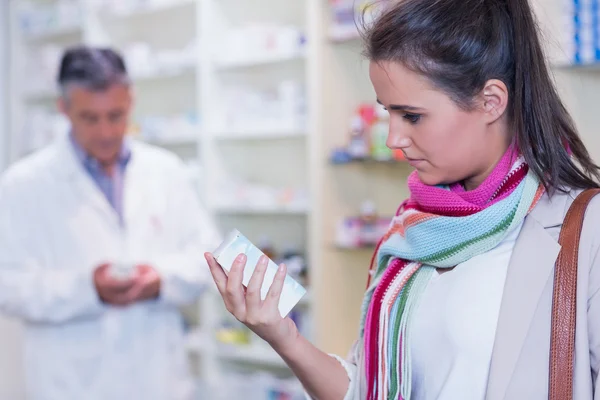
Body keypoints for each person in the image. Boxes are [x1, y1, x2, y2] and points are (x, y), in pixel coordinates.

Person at [204, 0, 600, 399]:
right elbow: (365, 388)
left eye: (411, 116)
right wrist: (282, 335)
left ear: (491, 101)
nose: (394, 139)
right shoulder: (412, 229)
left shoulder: (584, 231)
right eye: (387, 114)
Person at [0, 46, 221, 400]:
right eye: (90, 118)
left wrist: (160, 279)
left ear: (131, 101)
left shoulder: (166, 171)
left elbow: (208, 257)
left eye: (116, 115)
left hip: (158, 380)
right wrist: (87, 287)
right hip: (70, 384)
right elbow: (8, 287)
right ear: (64, 109)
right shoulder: (23, 184)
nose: (105, 132)